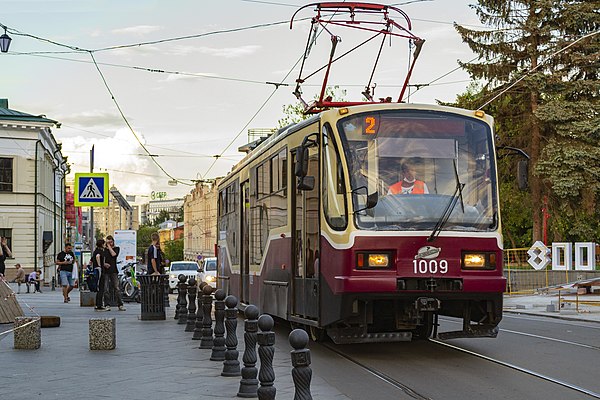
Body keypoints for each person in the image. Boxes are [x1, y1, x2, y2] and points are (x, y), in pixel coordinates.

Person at [102, 235, 126, 311]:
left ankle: (120, 304)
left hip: (113, 270)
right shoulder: (103, 250)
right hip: (105, 271)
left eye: (111, 242)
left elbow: (113, 254)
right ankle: (107, 304)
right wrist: (104, 264)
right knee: (106, 288)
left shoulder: (116, 248)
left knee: (117, 288)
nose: (110, 243)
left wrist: (109, 246)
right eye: (108, 242)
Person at [93, 239, 110, 311]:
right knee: (101, 287)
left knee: (99, 288)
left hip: (97, 269)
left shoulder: (96, 250)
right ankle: (99, 305)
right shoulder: (99, 251)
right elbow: (97, 256)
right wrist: (100, 265)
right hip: (100, 270)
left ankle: (98, 304)